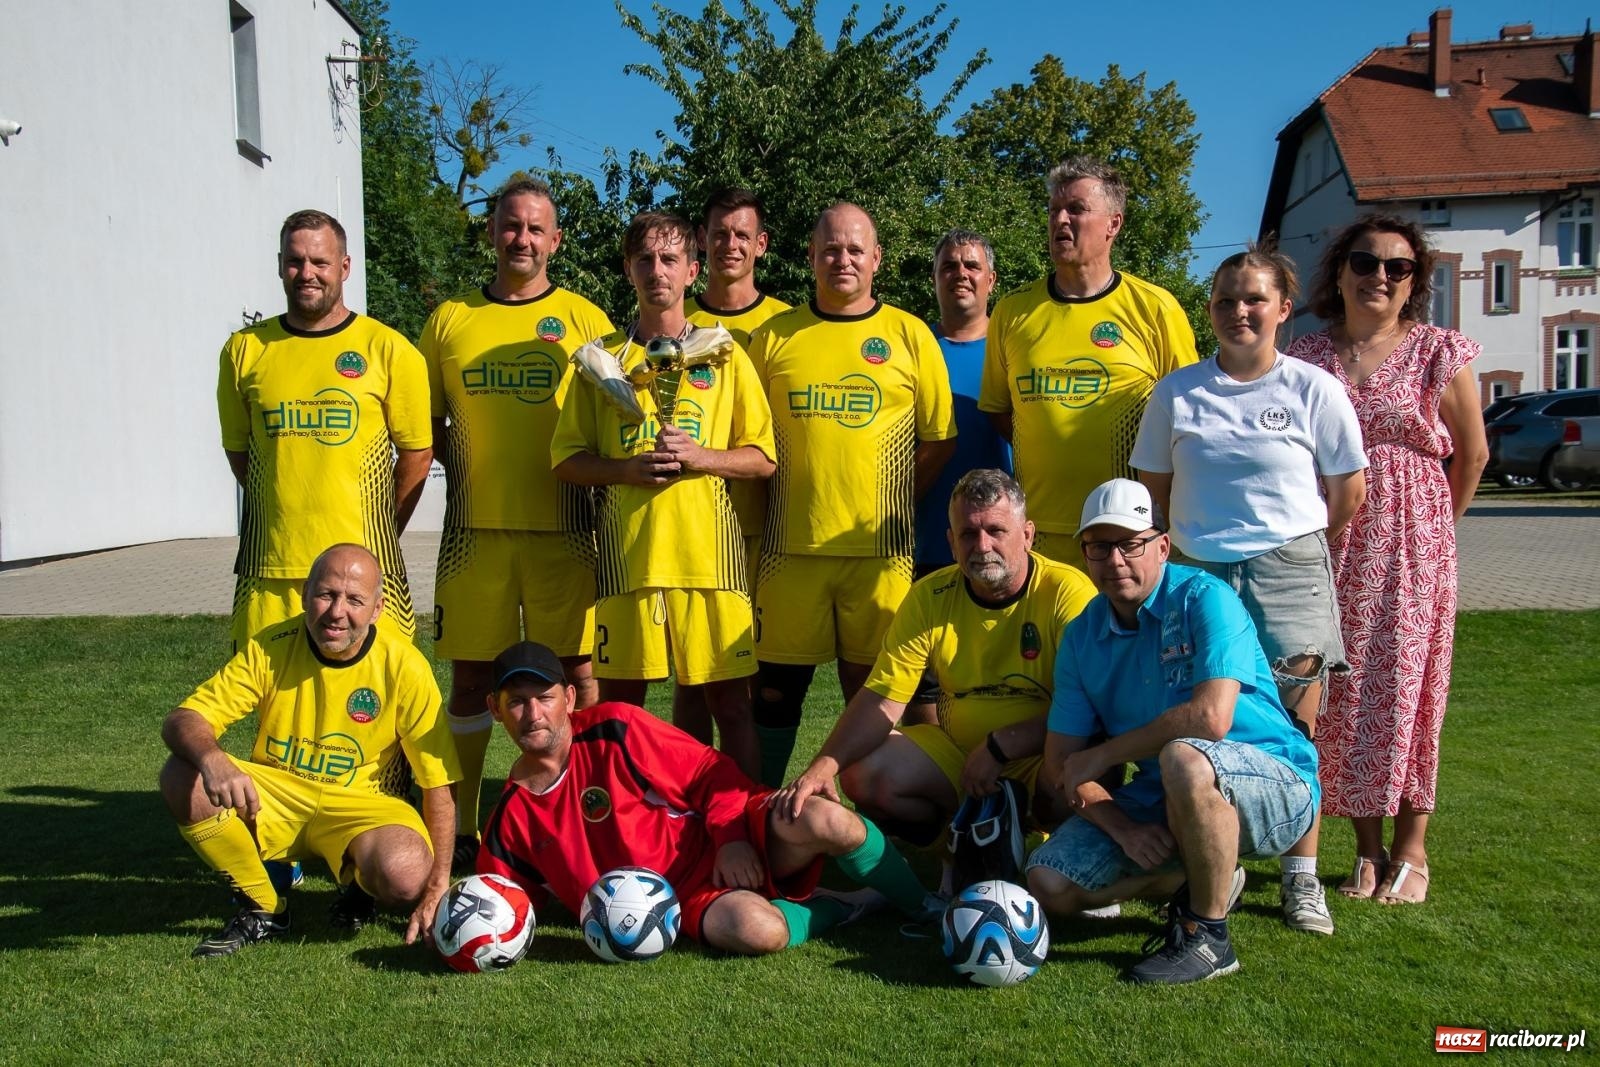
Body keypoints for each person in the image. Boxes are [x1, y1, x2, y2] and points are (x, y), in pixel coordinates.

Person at [1131, 244, 1367, 936]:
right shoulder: (1177, 392)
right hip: (1199, 573)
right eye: (1226, 299)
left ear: (1283, 309)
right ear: (1210, 310)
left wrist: (1290, 544)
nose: (1240, 310)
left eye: (1255, 298)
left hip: (1287, 569)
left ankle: (1301, 878)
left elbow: (1348, 491)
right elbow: (1154, 492)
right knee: (1205, 722)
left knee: (1294, 726)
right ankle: (1216, 863)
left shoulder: (1314, 389)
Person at [1026, 479, 1321, 984]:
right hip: (1169, 790)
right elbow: (1061, 762)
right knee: (1047, 880)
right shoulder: (1081, 637)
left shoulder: (1207, 598)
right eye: (1099, 546)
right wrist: (1124, 827)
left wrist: (1105, 755)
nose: (1115, 560)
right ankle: (1202, 876)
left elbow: (1210, 719)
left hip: (1278, 786)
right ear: (1085, 554)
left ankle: (1209, 938)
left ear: (1163, 547)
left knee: (1185, 755)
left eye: (1130, 544)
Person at [476, 642, 938, 955]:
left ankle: (927, 907)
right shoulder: (510, 819)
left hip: (725, 833)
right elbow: (496, 904)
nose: (533, 713)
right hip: (685, 898)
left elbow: (709, 772)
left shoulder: (615, 728)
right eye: (516, 701)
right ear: (496, 709)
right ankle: (843, 905)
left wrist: (731, 839)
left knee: (829, 821)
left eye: (545, 697)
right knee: (760, 931)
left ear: (570, 697)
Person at [1287, 214, 1488, 906]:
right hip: (1331, 538)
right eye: (1365, 262)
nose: (1379, 276)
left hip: (1412, 542)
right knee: (1345, 693)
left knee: (1408, 687)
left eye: (1397, 267)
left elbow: (1473, 454)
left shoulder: (1438, 350)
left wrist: (1435, 531)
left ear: (1414, 282)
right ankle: (1366, 849)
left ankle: (1412, 848)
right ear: (1340, 272)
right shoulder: (1308, 354)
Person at [420, 178, 614, 869]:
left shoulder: (586, 319)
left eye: (535, 228)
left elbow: (612, 423)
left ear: (555, 239)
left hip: (568, 532)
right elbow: (426, 429)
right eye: (510, 225)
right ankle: (463, 828)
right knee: (472, 681)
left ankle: (587, 812)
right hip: (475, 534)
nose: (521, 238)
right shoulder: (450, 320)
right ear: (491, 231)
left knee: (578, 675)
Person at [552, 212, 774, 780]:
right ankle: (615, 820)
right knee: (618, 713)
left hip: (711, 564)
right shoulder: (600, 361)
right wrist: (625, 469)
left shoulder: (723, 353)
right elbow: (566, 460)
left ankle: (745, 820)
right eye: (645, 259)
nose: (658, 271)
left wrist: (702, 457)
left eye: (670, 259)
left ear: (692, 271)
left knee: (732, 709)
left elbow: (763, 457)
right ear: (628, 269)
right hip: (629, 564)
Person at [159, 544, 460, 957]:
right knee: (182, 776)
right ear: (304, 594)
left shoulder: (404, 666)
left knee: (405, 872)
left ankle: (361, 885)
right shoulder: (271, 647)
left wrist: (438, 885)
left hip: (362, 806)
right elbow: (183, 719)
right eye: (326, 594)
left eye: (354, 600)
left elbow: (438, 782)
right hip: (276, 796)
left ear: (377, 609)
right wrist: (213, 760)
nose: (337, 612)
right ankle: (264, 907)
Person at [746, 202, 957, 786]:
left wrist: (891, 504)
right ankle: (760, 815)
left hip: (879, 559)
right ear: (811, 255)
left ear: (877, 259)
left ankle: (871, 821)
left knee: (872, 698)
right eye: (831, 249)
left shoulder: (909, 334)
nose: (843, 260)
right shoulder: (775, 337)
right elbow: (746, 438)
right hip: (788, 555)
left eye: (855, 249)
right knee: (772, 695)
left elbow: (939, 440)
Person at [782, 469, 1093, 850]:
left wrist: (1001, 746)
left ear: (1027, 535)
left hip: (1041, 754)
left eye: (996, 530)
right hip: (958, 754)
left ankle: (1043, 841)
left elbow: (1087, 708)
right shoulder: (929, 595)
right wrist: (824, 766)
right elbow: (881, 698)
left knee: (1075, 773)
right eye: (968, 533)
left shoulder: (1067, 592)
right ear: (951, 542)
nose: (982, 545)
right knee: (863, 773)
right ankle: (956, 844)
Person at [218, 210, 432, 652]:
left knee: (375, 692)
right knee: (267, 693)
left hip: (365, 569)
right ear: (280, 265)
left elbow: (417, 454)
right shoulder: (244, 350)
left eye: (320, 262)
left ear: (345, 267)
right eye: (295, 261)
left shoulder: (389, 348)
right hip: (270, 570)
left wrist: (381, 531)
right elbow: (241, 453)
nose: (307, 273)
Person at [979, 157, 1198, 569]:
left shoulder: (1156, 308)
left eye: (1076, 209)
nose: (1060, 220)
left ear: (1113, 224)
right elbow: (1000, 411)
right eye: (1053, 210)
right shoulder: (1012, 311)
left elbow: (1189, 420)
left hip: (1127, 536)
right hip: (1039, 532)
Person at [682, 188, 792, 745]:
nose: (731, 244)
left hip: (769, 529)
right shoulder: (673, 319)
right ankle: (691, 788)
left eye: (742, 234)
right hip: (693, 527)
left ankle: (749, 790)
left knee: (756, 679)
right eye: (719, 233)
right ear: (701, 241)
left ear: (762, 244)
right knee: (691, 677)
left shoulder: (788, 324)